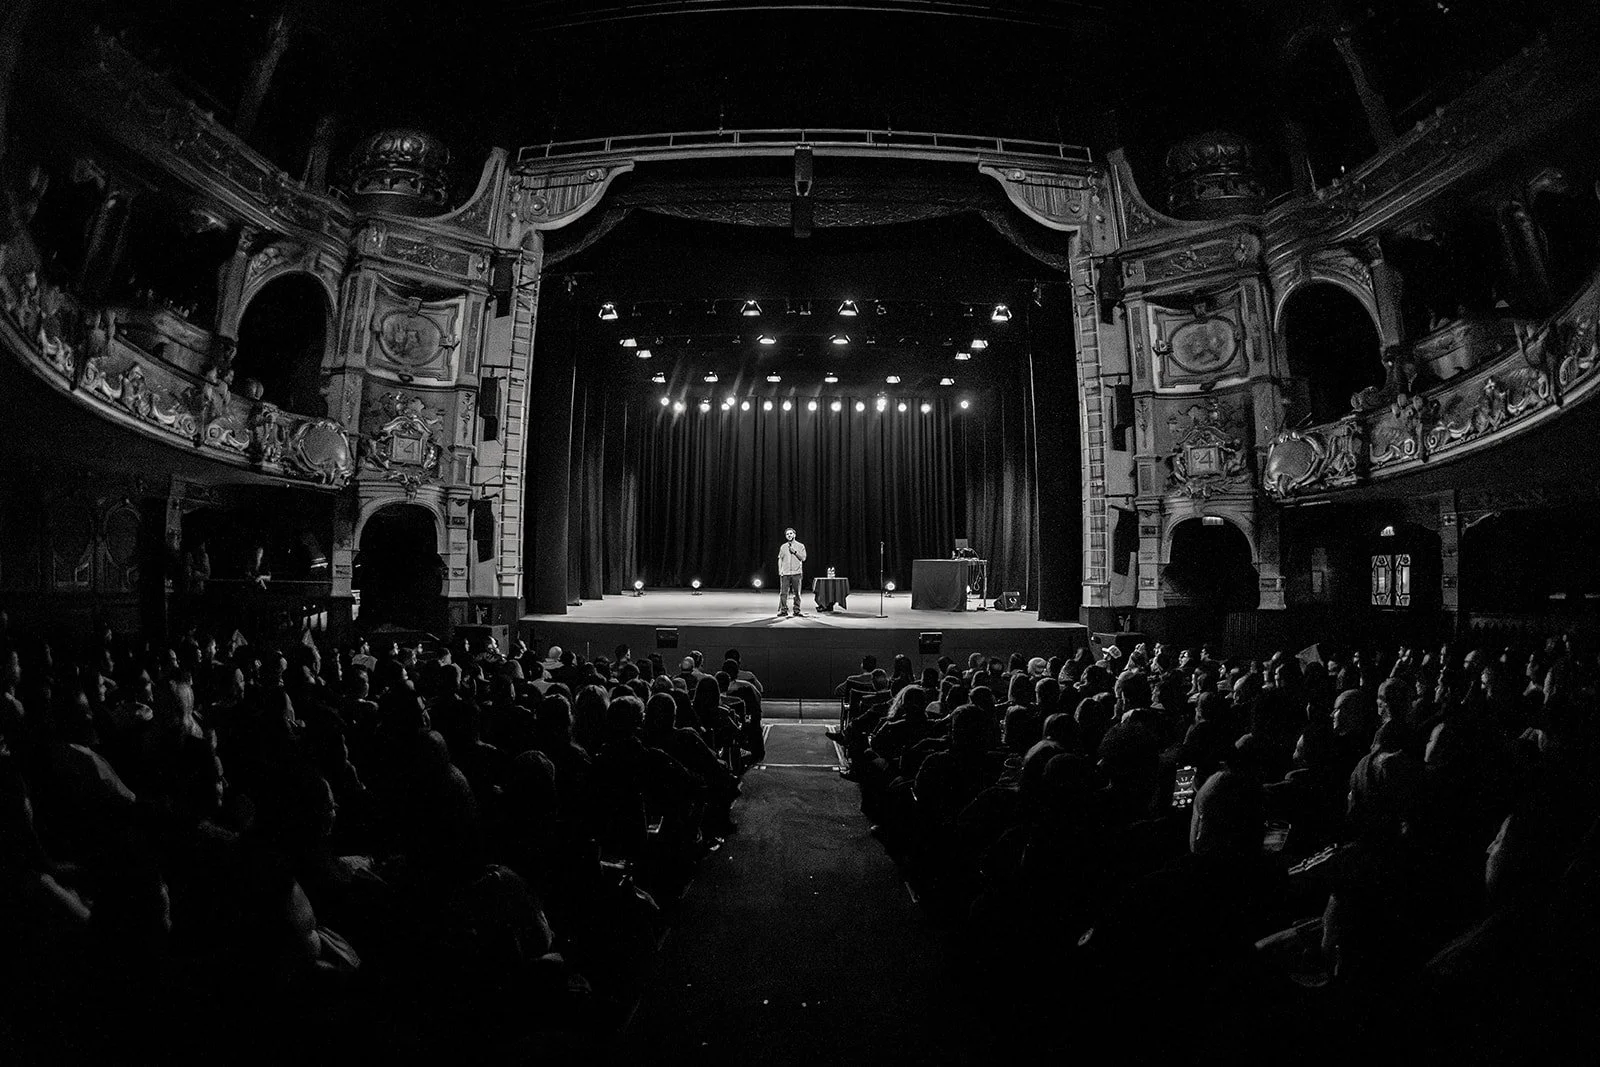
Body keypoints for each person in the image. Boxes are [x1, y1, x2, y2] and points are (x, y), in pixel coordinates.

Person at [776, 526, 807, 618]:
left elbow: (803, 558)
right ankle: (783, 610)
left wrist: (795, 552)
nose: (789, 535)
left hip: (796, 573)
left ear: (794, 535)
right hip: (785, 573)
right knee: (783, 593)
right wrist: (780, 570)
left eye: (790, 533)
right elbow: (780, 559)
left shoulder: (800, 546)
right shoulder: (783, 547)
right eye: (787, 534)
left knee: (797, 593)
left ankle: (796, 610)